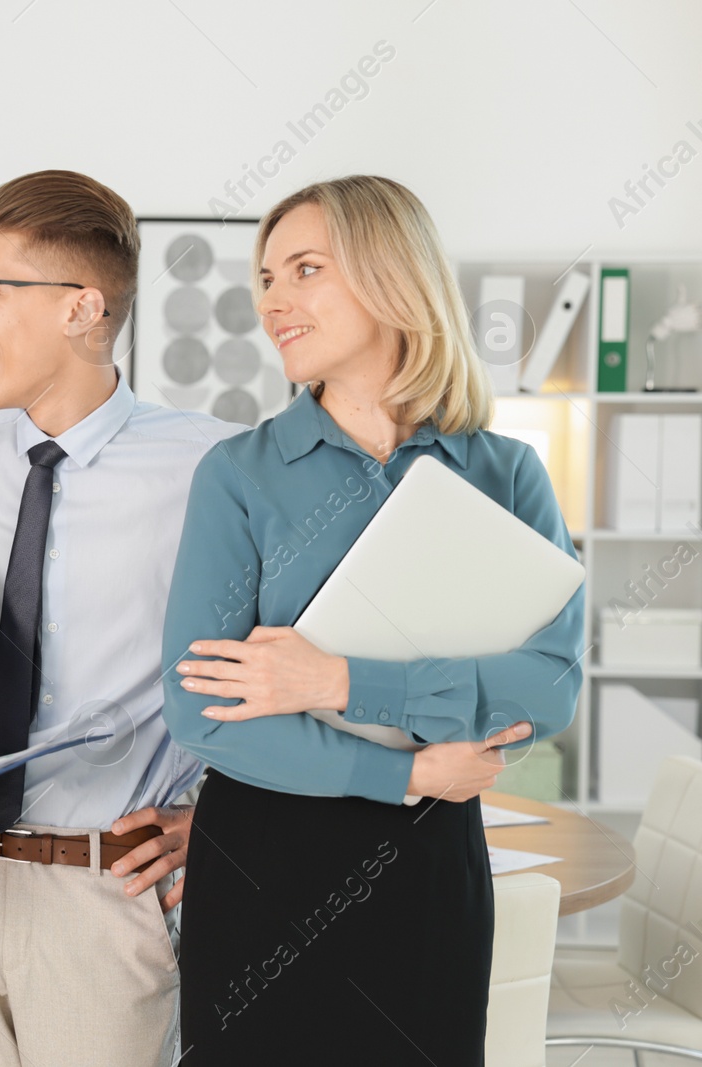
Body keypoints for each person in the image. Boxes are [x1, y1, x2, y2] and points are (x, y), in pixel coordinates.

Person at [161, 175, 586, 1063]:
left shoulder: (505, 475)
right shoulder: (239, 474)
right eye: (267, 279)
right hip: (266, 864)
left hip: (429, 872)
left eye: (304, 269)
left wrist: (338, 681)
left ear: (393, 276)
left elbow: (547, 687)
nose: (275, 301)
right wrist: (409, 769)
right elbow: (200, 710)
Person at [0, 169, 241, 1066]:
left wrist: (224, 821)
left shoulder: (206, 468)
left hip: (102, 887)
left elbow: (271, 671)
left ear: (83, 309)